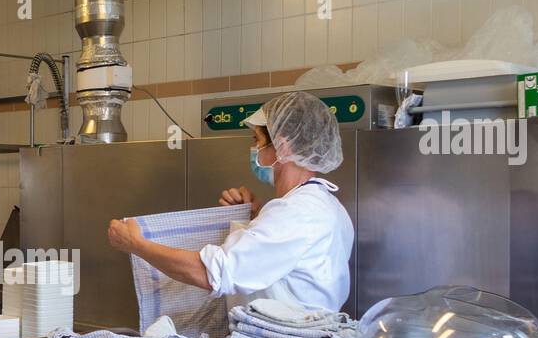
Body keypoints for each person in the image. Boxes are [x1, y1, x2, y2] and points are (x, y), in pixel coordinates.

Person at [107, 90, 354, 311]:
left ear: (283, 147)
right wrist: (255, 218)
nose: (254, 149)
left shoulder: (295, 213)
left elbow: (212, 273)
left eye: (257, 140)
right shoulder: (325, 204)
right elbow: (281, 267)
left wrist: (137, 244)